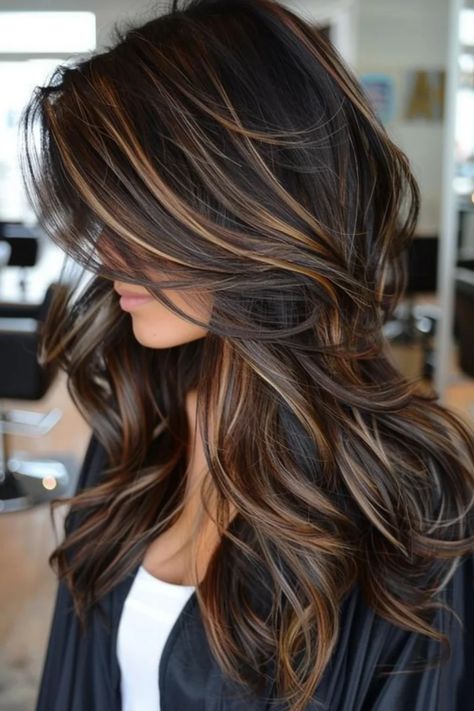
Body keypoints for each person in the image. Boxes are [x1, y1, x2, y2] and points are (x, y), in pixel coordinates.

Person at [20, 0, 474, 709]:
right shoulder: (138, 436)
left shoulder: (413, 510)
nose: (106, 249)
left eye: (138, 211)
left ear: (248, 206)